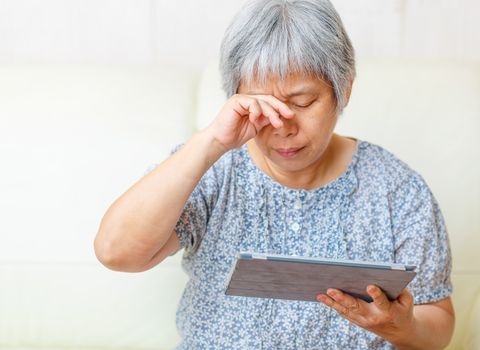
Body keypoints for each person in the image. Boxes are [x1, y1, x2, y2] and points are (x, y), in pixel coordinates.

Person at [94, 0, 455, 348]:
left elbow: (437, 324)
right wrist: (210, 144)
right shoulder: (212, 169)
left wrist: (401, 326)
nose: (282, 126)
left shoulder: (396, 189)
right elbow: (116, 252)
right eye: (261, 106)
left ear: (343, 88)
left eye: (302, 103)